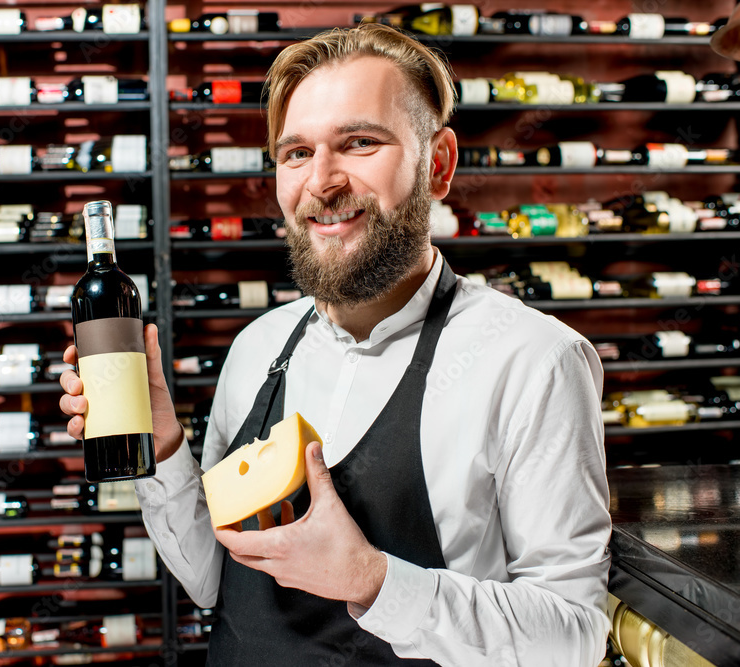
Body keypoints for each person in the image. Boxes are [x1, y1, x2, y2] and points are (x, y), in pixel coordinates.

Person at [60, 23, 611, 666]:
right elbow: (213, 579)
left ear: (438, 164)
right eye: (296, 153)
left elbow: (573, 637)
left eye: (359, 143)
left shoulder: (531, 361)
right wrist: (163, 448)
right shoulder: (257, 347)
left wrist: (373, 582)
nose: (321, 183)